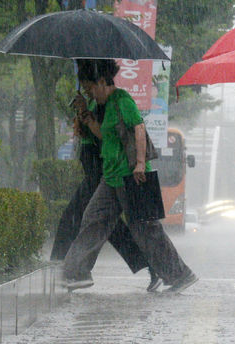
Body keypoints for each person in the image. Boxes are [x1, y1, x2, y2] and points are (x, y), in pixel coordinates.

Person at [62, 59, 197, 293]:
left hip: (130, 177)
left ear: (102, 82)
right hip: (111, 177)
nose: (90, 95)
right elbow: (105, 136)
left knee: (146, 230)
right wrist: (86, 114)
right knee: (93, 219)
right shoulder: (104, 105)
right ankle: (76, 273)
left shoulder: (122, 100)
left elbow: (139, 128)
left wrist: (141, 164)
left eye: (90, 89)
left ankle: (179, 275)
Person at [51, 80, 161, 292]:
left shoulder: (108, 103)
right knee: (109, 227)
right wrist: (82, 112)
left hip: (100, 166)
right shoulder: (94, 103)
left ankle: (62, 268)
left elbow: (104, 136)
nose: (85, 90)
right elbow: (87, 134)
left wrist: (86, 114)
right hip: (94, 163)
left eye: (88, 86)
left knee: (75, 217)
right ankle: (150, 265)